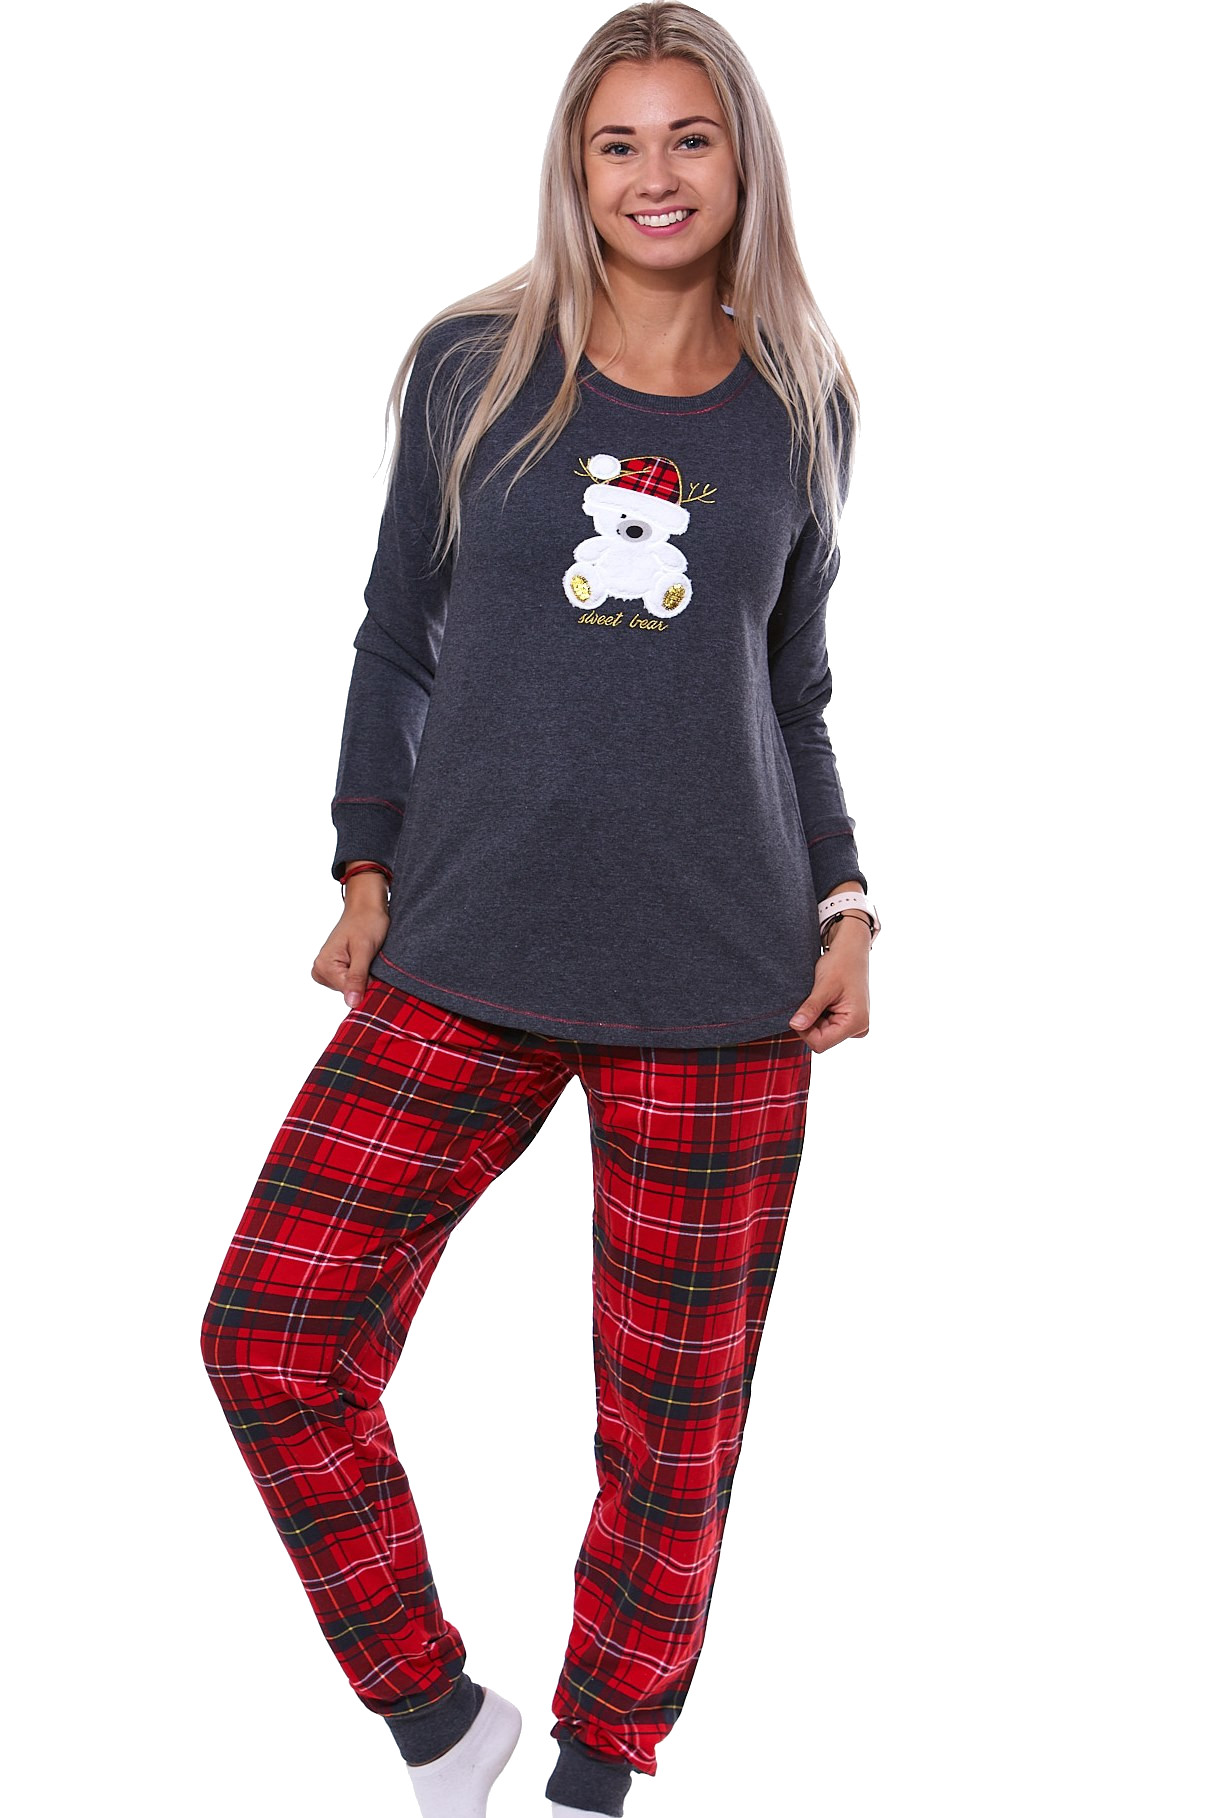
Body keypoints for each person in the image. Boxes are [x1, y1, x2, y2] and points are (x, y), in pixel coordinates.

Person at [200, 5, 879, 1816]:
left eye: (689, 139)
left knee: (671, 1428)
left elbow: (792, 689)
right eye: (617, 143)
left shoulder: (801, 402)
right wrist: (363, 862)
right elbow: (394, 634)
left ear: (740, 162)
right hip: (469, 940)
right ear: (574, 170)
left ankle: (593, 1776)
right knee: (271, 1332)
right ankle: (439, 1718)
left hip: (726, 971)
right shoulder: (471, 366)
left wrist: (846, 899)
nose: (655, 177)